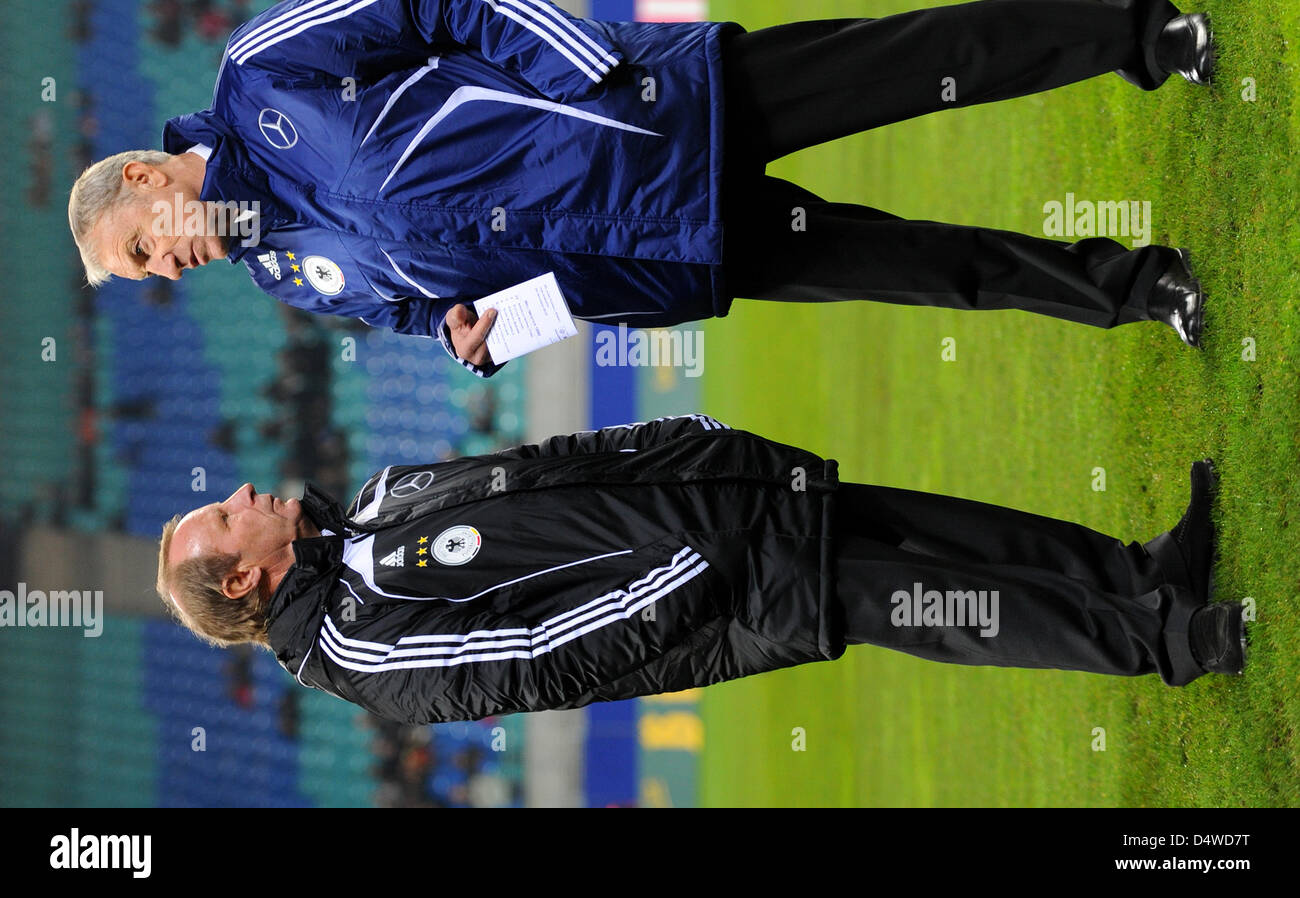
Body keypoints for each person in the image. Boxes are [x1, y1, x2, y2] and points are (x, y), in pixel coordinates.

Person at [70, 0, 1213, 378]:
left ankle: (1138, 35)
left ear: (145, 178)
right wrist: (461, 335)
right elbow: (417, 312)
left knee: (925, 63)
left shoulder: (260, 72)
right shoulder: (280, 276)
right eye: (144, 277)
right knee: (924, 272)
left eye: (140, 254)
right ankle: (1137, 289)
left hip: (665, 116)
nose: (163, 269)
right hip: (649, 256)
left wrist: (584, 73)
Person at [156, 414, 1245, 726]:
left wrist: (681, 445)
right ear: (241, 583)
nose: (243, 494)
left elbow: (543, 466)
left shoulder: (380, 499)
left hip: (725, 499)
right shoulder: (354, 643)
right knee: (955, 608)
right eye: (224, 517)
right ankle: (1167, 644)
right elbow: (538, 658)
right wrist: (696, 572)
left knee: (953, 536)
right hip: (731, 589)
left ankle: (1142, 569)